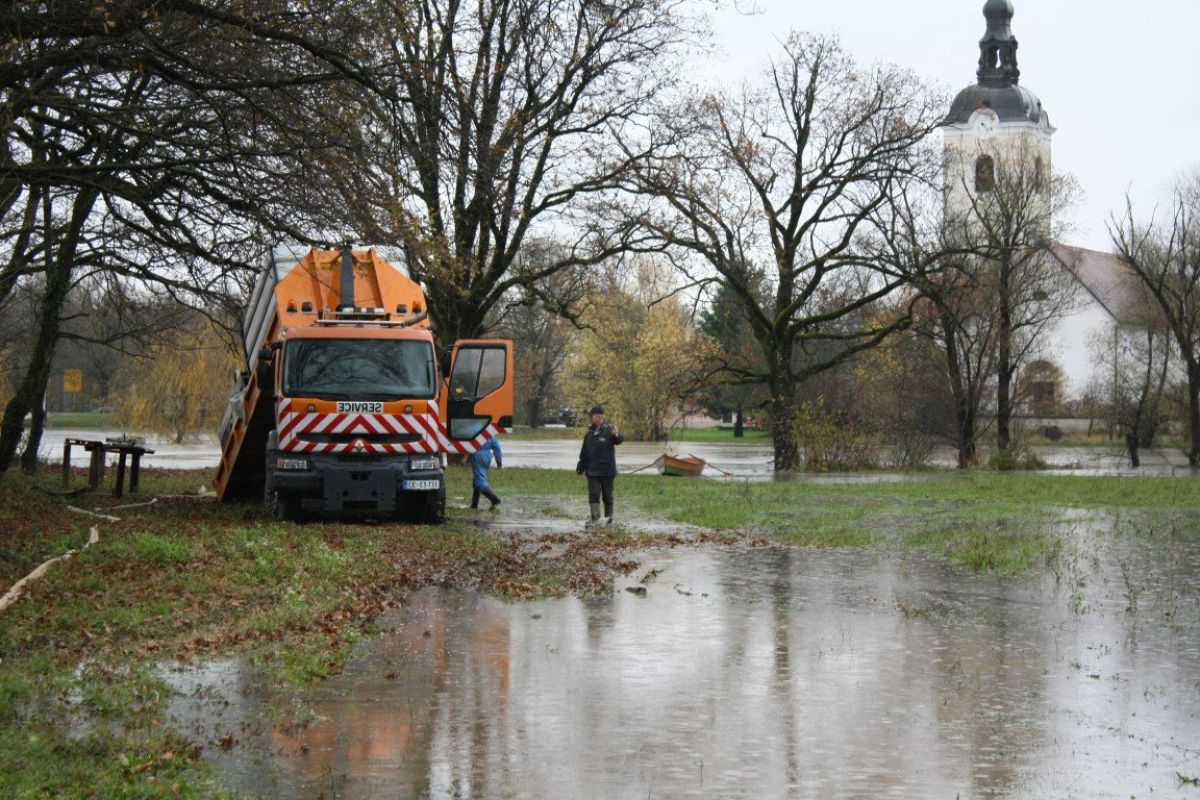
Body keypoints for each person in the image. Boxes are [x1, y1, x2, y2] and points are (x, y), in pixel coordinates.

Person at [576, 404, 623, 526]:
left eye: (601, 415)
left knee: (608, 497)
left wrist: (617, 434)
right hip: (592, 472)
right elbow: (584, 453)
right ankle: (596, 520)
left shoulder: (610, 429)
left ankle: (609, 520)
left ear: (602, 417)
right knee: (594, 496)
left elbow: (619, 440)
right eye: (596, 415)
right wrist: (580, 467)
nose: (599, 417)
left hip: (608, 471)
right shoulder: (589, 433)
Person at [469, 436, 503, 510]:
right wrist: (499, 461)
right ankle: (474, 504)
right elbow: (497, 448)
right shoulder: (489, 434)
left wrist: (465, 458)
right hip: (487, 456)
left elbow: (470, 445)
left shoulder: (476, 432)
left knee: (479, 481)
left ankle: (495, 499)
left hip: (478, 455)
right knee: (477, 478)